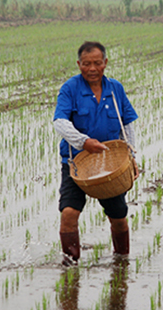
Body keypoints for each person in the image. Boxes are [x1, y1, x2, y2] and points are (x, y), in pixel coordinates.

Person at [53, 41, 139, 266]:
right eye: (87, 64)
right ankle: (70, 265)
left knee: (119, 218)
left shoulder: (115, 88)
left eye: (97, 63)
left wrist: (132, 157)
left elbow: (127, 123)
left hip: (110, 164)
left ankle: (122, 261)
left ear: (105, 63)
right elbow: (60, 122)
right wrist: (84, 142)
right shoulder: (70, 89)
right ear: (79, 64)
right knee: (69, 213)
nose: (92, 69)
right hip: (77, 162)